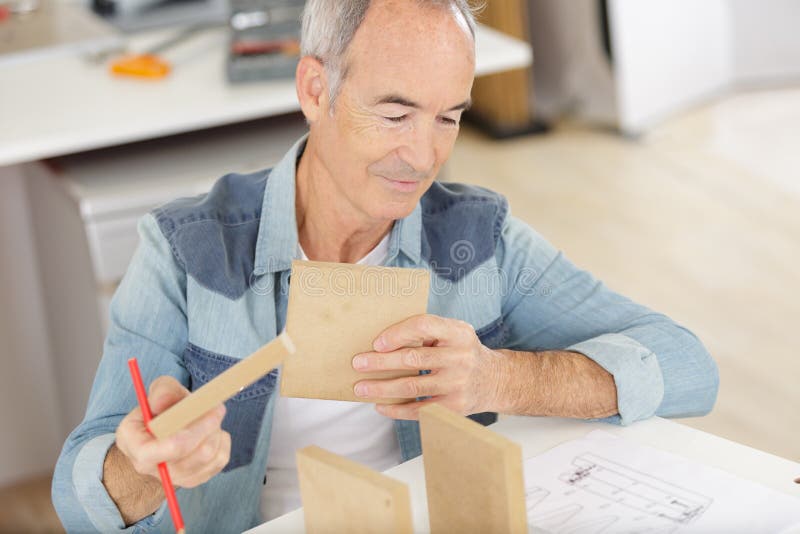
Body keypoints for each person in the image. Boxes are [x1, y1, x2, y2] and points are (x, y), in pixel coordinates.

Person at [52, 0, 719, 531]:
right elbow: (76, 502)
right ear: (316, 88)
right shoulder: (185, 250)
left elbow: (688, 366)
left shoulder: (478, 240)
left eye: (448, 117)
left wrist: (500, 380)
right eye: (396, 113)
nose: (424, 156)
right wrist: (145, 464)